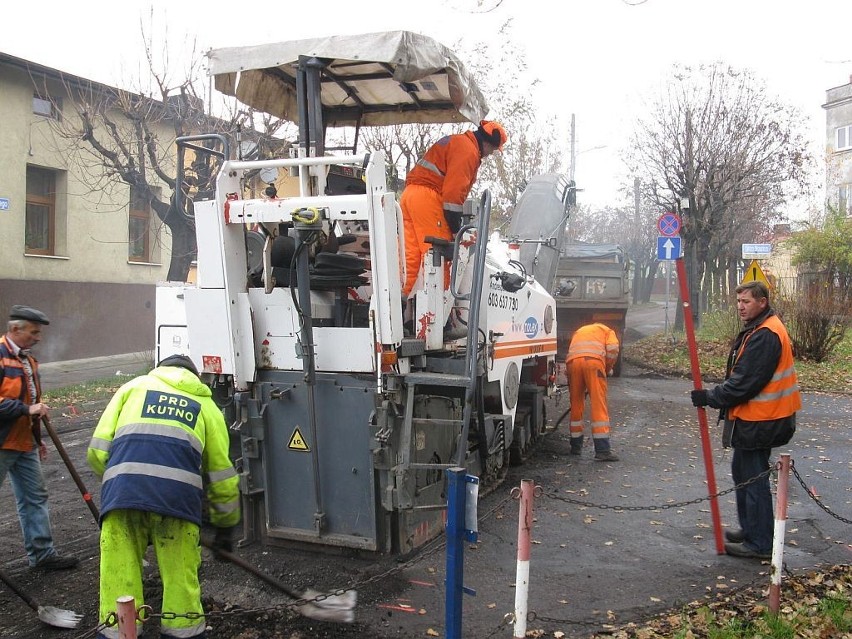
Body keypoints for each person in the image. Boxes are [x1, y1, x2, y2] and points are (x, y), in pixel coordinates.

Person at [87, 354, 240, 639]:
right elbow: (222, 477)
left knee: (119, 576)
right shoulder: (207, 406)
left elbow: (97, 452)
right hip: (177, 504)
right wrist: (225, 528)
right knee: (180, 580)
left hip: (122, 497)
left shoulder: (132, 388)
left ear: (160, 370)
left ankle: (119, 633)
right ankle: (182, 634)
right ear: (195, 378)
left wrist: (124, 489)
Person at [691, 281, 800, 560]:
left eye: (747, 301)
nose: (740, 306)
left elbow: (744, 384)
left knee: (752, 478)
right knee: (744, 473)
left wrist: (710, 397)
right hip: (761, 417)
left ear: (762, 302)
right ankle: (752, 528)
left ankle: (760, 542)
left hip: (764, 419)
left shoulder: (766, 334)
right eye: (738, 301)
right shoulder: (760, 328)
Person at [0, 305, 79, 571]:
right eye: (33, 332)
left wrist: (37, 435)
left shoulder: (28, 361)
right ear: (15, 329)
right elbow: (24, 404)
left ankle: (42, 554)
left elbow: (31, 400)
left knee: (35, 497)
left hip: (24, 443)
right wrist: (26, 409)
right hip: (2, 442)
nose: (38, 337)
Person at [400, 119, 507, 297]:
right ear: (488, 144)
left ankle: (402, 302)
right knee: (438, 256)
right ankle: (438, 312)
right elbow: (452, 196)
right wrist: (457, 230)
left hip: (409, 195)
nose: (490, 154)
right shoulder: (468, 151)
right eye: (493, 150)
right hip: (427, 198)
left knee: (410, 255)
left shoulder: (458, 141)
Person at [565, 322, 620, 462]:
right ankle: (602, 450)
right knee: (598, 404)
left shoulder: (580, 330)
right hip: (594, 364)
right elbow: (613, 350)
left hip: (572, 364)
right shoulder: (608, 331)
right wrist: (607, 369)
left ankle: (575, 446)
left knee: (576, 403)